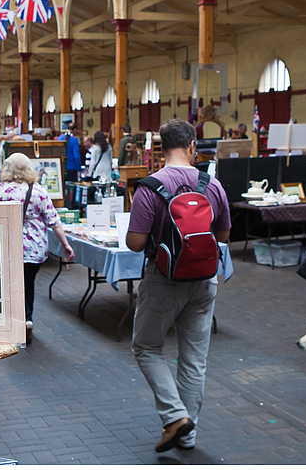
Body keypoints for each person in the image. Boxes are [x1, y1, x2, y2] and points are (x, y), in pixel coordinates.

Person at [126, 119, 231, 453]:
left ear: (161, 147)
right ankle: (190, 434)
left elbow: (135, 243)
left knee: (146, 347)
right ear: (192, 147)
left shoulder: (150, 187)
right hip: (204, 281)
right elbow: (225, 235)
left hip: (163, 280)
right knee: (194, 359)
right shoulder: (211, 185)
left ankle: (174, 416)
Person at [0, 152, 74, 343]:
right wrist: (65, 244)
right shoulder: (38, 191)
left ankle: (14, 323)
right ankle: (28, 318)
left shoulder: (1, 190)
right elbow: (53, 220)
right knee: (28, 282)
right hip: (35, 248)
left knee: (11, 284)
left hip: (10, 245)